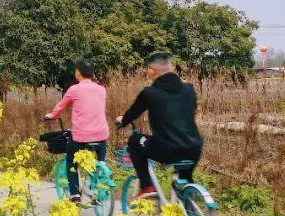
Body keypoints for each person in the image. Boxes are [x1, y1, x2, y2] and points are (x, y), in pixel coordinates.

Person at [115, 53, 203, 199]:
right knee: (185, 181)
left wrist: (122, 120)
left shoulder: (149, 93)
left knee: (134, 141)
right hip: (194, 148)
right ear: (172, 68)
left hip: (167, 149)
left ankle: (147, 186)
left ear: (151, 71)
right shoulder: (189, 89)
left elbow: (132, 113)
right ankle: (190, 209)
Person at [44, 58, 109, 204]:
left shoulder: (74, 90)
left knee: (71, 160)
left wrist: (52, 116)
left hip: (81, 136)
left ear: (78, 73)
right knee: (99, 161)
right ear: (92, 73)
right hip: (101, 135)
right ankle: (96, 185)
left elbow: (60, 107)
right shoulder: (101, 90)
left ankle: (74, 194)